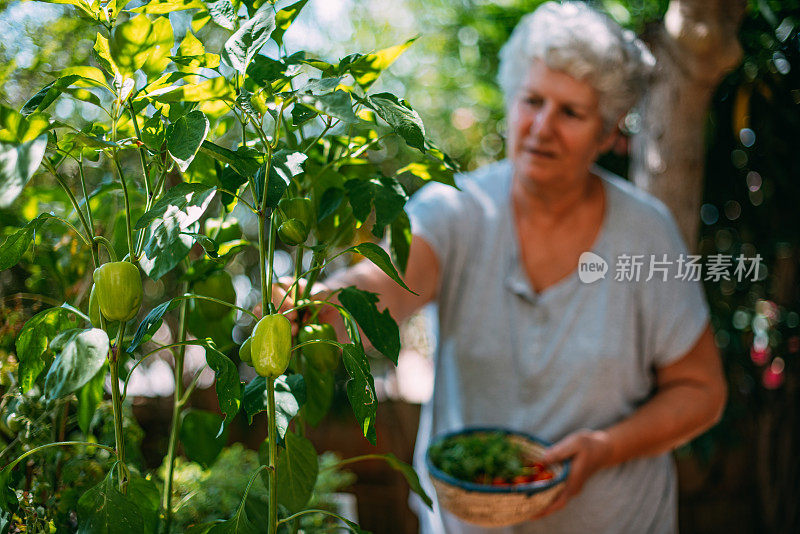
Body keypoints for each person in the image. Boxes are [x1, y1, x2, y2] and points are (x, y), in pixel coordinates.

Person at [288, 2, 727, 532]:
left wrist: (606, 447)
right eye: (532, 100)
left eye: (571, 112)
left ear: (608, 132)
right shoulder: (455, 209)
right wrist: (324, 303)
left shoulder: (646, 235)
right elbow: (387, 289)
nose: (543, 126)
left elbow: (701, 390)